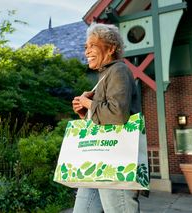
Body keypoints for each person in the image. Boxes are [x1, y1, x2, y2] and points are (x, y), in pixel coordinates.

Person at [72, 22, 142, 213]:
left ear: (111, 48)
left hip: (115, 162)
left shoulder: (118, 69)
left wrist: (88, 104)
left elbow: (117, 114)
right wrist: (85, 114)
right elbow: (104, 116)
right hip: (97, 160)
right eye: (86, 47)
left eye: (92, 45)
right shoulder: (104, 76)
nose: (87, 52)